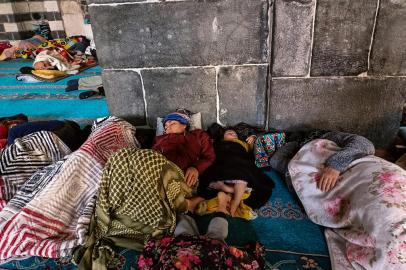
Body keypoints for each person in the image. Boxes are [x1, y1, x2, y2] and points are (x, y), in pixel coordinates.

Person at [137, 191, 265, 269]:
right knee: (217, 233)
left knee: (184, 227)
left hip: (181, 244)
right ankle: (221, 206)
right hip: (211, 247)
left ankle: (190, 209)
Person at [198, 124, 274, 216]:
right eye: (229, 133)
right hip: (224, 161)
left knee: (244, 173)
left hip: (240, 162)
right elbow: (212, 130)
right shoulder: (217, 143)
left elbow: (250, 155)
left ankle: (234, 200)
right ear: (222, 137)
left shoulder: (244, 144)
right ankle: (230, 190)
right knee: (205, 180)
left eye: (235, 134)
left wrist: (254, 137)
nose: (233, 134)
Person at [268, 131, 375, 192]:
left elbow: (365, 144)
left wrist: (335, 166)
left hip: (362, 177)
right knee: (275, 161)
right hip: (306, 144)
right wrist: (334, 166)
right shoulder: (295, 164)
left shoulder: (326, 138)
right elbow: (365, 144)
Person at [152, 111, 215, 187]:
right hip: (159, 175)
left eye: (172, 123)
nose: (168, 127)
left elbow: (209, 157)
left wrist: (196, 168)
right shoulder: (159, 139)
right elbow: (152, 157)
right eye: (165, 126)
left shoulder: (198, 136)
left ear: (184, 125)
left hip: (184, 178)